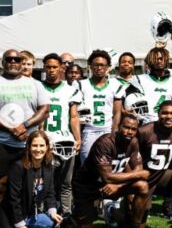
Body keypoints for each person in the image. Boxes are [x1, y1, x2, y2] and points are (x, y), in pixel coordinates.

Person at [71, 115, 151, 228]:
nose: (129, 132)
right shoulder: (105, 143)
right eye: (126, 127)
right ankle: (70, 221)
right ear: (118, 126)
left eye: (133, 129)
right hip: (87, 187)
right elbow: (107, 176)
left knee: (142, 186)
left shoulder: (134, 142)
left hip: (112, 186)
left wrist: (119, 186)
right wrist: (138, 174)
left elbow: (138, 171)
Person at [0, 130, 62, 228]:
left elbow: (50, 191)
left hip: (28, 215)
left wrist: (52, 211)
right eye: (34, 145)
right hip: (10, 219)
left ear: (47, 147)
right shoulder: (19, 167)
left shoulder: (48, 166)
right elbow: (13, 199)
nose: (38, 149)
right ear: (28, 147)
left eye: (41, 145)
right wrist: (21, 225)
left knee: (50, 222)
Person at [0, 50, 50, 182]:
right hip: (2, 144)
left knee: (27, 184)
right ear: (2, 62)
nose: (12, 62)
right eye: (9, 59)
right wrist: (11, 129)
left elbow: (45, 110)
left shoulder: (35, 84)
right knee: (2, 185)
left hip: (29, 145)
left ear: (21, 63)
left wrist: (24, 126)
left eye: (16, 60)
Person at [42, 53, 82, 217]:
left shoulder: (71, 90)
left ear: (61, 68)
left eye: (54, 67)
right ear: (44, 68)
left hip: (65, 141)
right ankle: (45, 214)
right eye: (48, 67)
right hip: (44, 142)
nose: (51, 70)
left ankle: (66, 214)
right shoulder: (38, 87)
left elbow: (73, 116)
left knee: (66, 182)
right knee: (45, 181)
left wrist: (77, 138)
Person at [76, 50, 124, 164]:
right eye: (96, 65)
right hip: (88, 130)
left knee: (107, 165)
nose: (99, 68)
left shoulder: (115, 85)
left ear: (108, 67)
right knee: (87, 166)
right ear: (90, 67)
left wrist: (114, 133)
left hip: (107, 129)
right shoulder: (81, 84)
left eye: (102, 65)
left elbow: (117, 112)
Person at [129, 47, 172, 123]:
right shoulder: (140, 79)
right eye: (155, 59)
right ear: (151, 61)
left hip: (168, 122)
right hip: (147, 123)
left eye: (161, 58)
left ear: (166, 59)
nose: (159, 61)